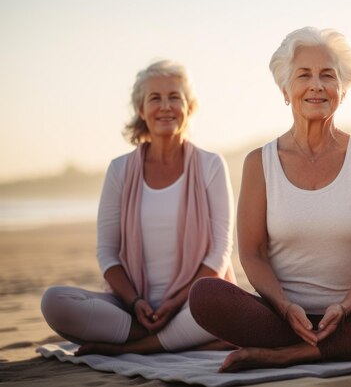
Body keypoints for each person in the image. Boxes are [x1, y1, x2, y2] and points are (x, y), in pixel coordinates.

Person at [188, 27, 351, 373]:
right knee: (205, 295)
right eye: (304, 75)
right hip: (280, 318)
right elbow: (252, 253)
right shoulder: (259, 162)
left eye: (328, 75)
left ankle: (294, 354)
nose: (316, 85)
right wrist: (285, 308)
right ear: (286, 90)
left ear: (343, 90)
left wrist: (345, 306)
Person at [41, 60, 236, 355]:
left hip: (192, 304)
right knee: (54, 301)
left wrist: (176, 301)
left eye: (175, 97)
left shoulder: (210, 165)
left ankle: (136, 346)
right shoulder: (120, 170)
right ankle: (164, 339)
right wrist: (135, 302)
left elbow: (220, 253)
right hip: (131, 308)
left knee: (225, 302)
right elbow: (107, 253)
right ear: (141, 110)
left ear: (189, 107)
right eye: (154, 98)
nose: (166, 106)